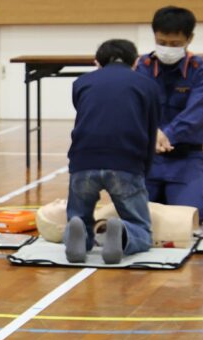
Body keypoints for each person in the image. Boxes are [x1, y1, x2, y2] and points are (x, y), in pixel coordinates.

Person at [64, 39, 159, 264]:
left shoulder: (81, 83)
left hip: (83, 162)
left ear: (97, 63)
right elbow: (151, 129)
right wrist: (143, 170)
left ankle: (78, 236)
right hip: (125, 162)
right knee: (141, 228)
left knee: (78, 214)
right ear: (135, 62)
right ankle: (125, 232)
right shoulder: (147, 85)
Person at [136, 6, 203, 228]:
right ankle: (159, 199)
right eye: (162, 42)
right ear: (154, 36)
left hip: (186, 157)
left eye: (175, 44)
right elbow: (133, 109)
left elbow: (194, 115)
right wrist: (152, 132)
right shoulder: (139, 68)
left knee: (192, 215)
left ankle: (168, 199)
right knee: (130, 214)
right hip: (146, 158)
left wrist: (164, 135)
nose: (167, 49)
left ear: (189, 39)